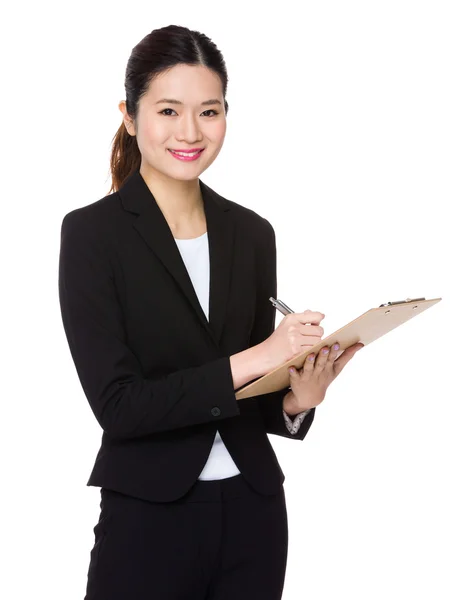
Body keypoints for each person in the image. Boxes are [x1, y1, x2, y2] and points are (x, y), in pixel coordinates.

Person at [58, 24, 363, 600]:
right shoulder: (92, 235)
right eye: (168, 110)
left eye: (209, 111)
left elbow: (247, 398)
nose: (191, 132)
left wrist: (298, 400)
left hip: (253, 513)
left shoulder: (252, 234)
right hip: (148, 515)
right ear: (129, 115)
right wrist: (262, 354)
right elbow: (119, 407)